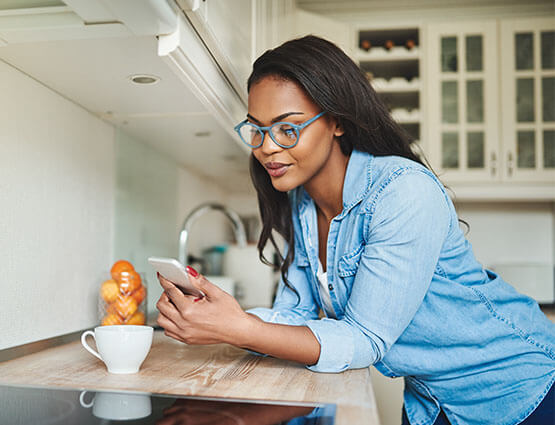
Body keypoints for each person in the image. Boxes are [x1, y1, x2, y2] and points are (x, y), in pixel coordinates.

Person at [155, 35, 554, 425]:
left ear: (337, 122)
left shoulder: (403, 192)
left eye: (287, 128)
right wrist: (223, 316)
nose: (267, 148)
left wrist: (238, 328)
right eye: (257, 130)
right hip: (430, 404)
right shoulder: (302, 203)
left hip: (520, 389)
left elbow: (365, 339)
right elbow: (296, 314)